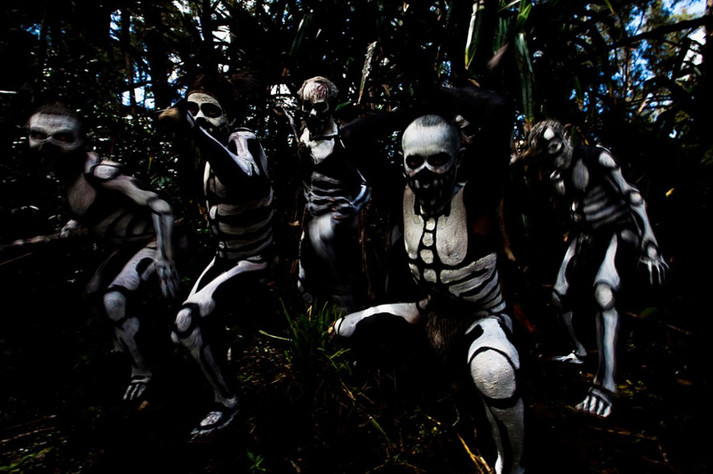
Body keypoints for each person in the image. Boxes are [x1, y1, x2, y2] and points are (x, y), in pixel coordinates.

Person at [333, 84, 525, 474]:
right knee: (342, 329)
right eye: (413, 162)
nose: (423, 173)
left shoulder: (476, 199)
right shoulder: (401, 196)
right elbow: (351, 135)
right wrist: (411, 111)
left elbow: (500, 108)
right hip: (429, 311)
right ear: (403, 164)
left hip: (481, 318)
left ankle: (513, 466)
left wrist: (438, 93)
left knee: (495, 374)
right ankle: (400, 399)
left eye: (437, 160)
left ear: (457, 160)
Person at [26, 102, 180, 404]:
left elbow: (160, 206)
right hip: (126, 246)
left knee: (114, 298)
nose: (49, 146)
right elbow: (95, 211)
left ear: (80, 140)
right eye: (38, 135)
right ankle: (122, 347)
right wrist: (75, 224)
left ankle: (142, 371)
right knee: (92, 292)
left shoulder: (100, 173)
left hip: (150, 241)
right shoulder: (68, 176)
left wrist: (165, 257)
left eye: (62, 138)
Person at [525, 119, 668, 418]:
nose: (555, 156)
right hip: (586, 236)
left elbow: (632, 196)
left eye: (556, 147)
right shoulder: (554, 176)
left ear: (566, 137)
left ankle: (606, 386)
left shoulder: (597, 157)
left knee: (604, 294)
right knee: (559, 297)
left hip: (618, 231)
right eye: (546, 154)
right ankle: (579, 352)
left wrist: (650, 246)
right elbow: (570, 210)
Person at [158, 74, 275, 438]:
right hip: (223, 256)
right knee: (180, 335)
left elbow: (246, 178)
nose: (200, 117)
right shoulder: (208, 153)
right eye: (192, 109)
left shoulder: (242, 140)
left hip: (253, 258)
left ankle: (227, 402)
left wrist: (193, 129)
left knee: (187, 323)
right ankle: (222, 368)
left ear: (228, 117)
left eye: (210, 110)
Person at [292, 76, 372, 313]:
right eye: (307, 107)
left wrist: (351, 206)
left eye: (320, 107)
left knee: (339, 282)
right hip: (313, 218)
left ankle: (343, 320)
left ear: (331, 106)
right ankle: (313, 325)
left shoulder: (343, 141)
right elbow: (304, 180)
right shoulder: (304, 139)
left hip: (340, 223)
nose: (312, 114)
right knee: (304, 281)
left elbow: (364, 185)